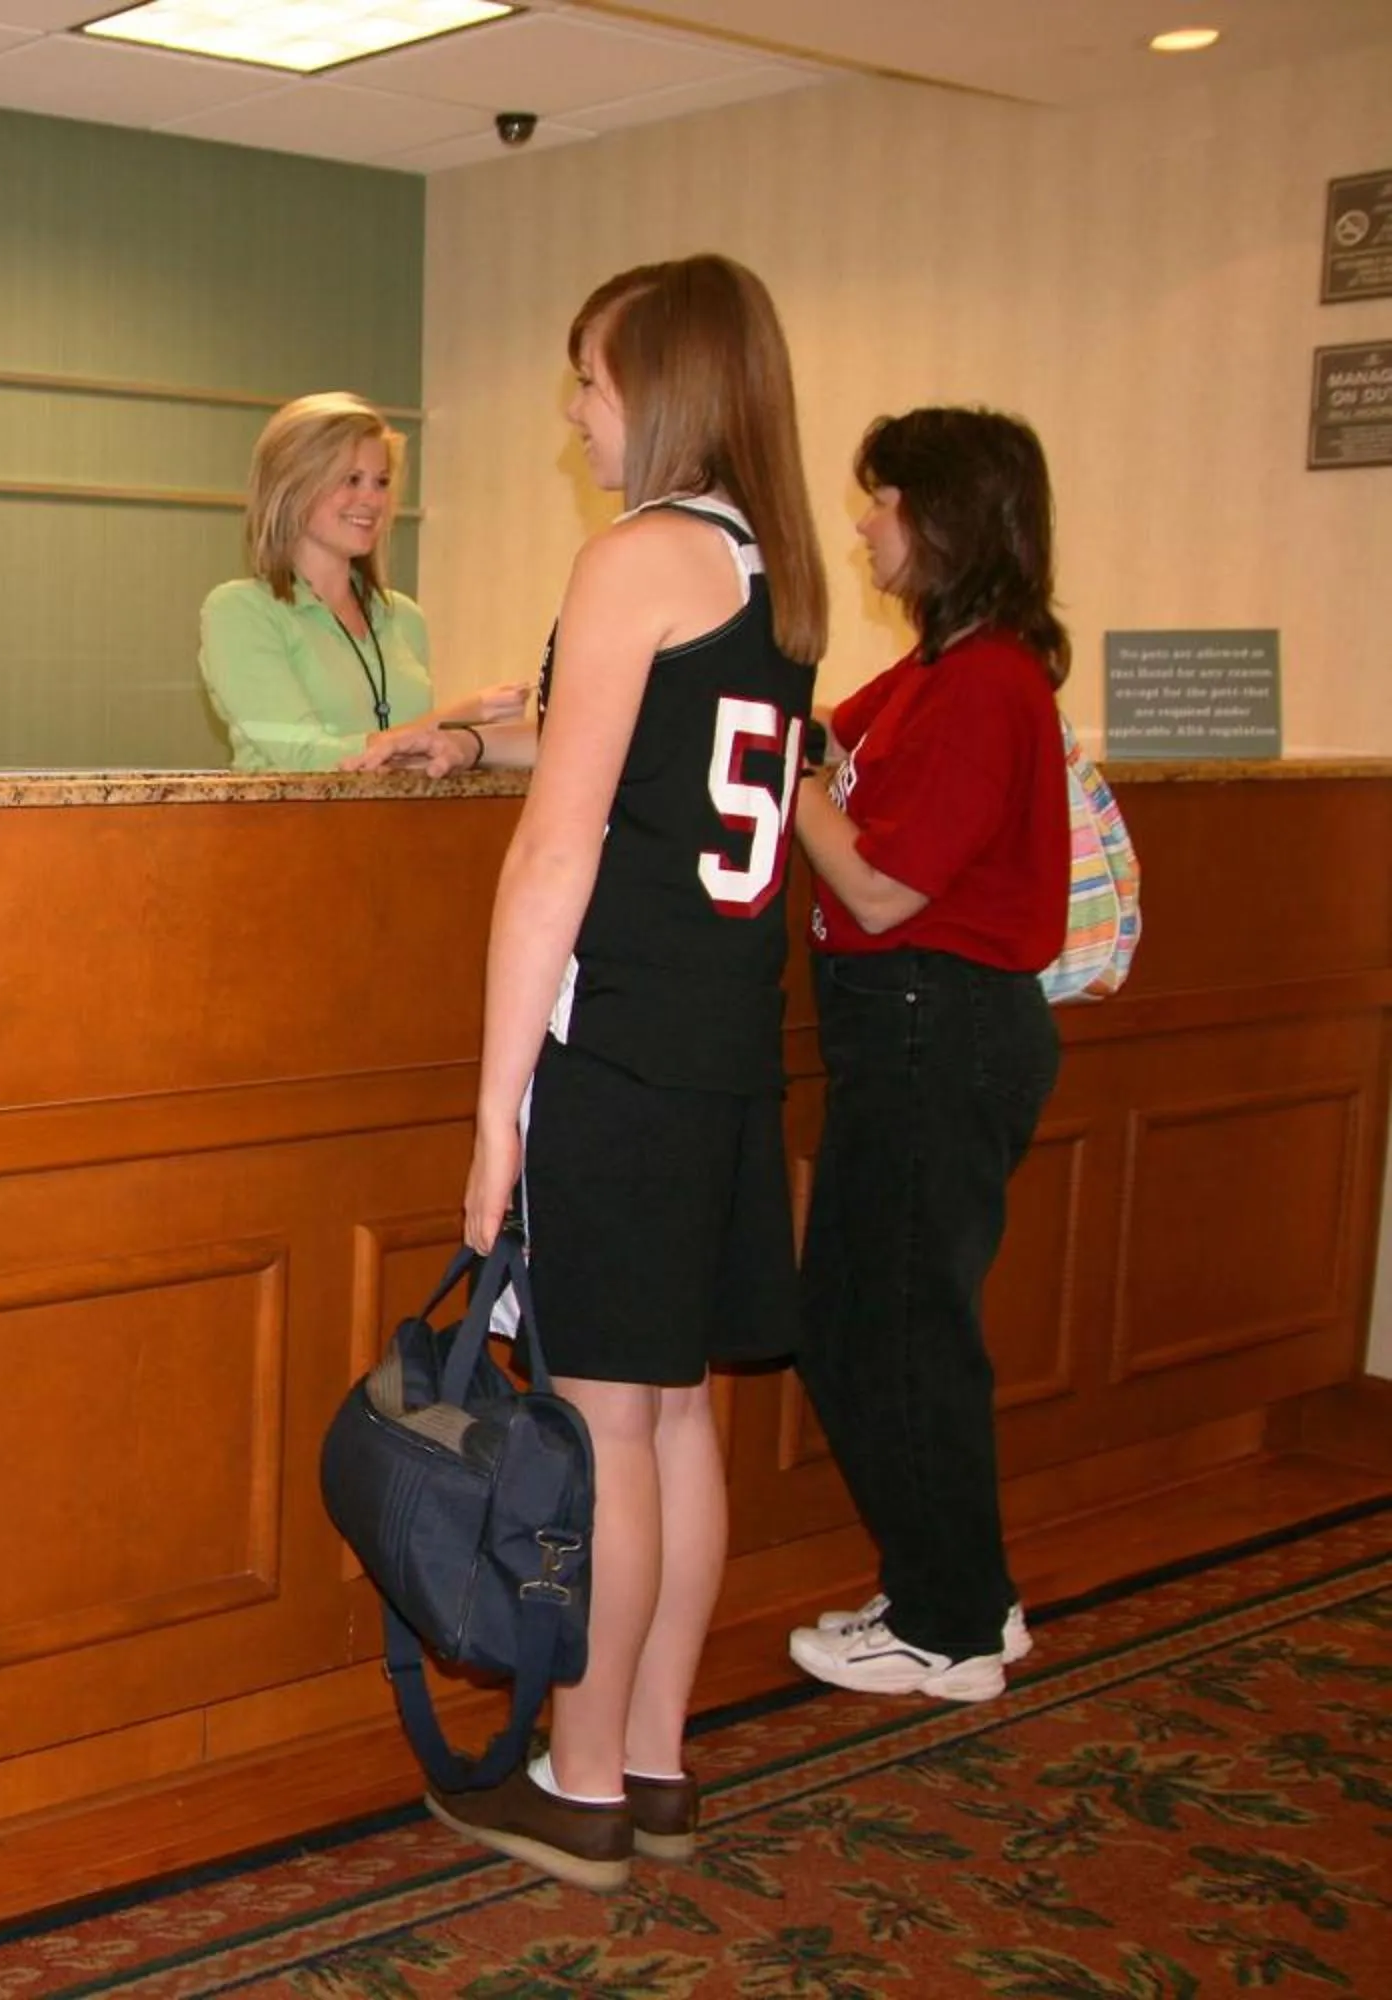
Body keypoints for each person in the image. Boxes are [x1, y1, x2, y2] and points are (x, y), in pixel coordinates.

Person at [430, 255, 825, 1893]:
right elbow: (653, 753)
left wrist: (491, 1112)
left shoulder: (634, 554)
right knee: (674, 1421)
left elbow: (558, 852)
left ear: (661, 385)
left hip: (620, 1058)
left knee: (598, 1429)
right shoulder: (765, 564)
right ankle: (654, 1760)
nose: (576, 411)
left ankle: (576, 1783)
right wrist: (477, 730)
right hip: (728, 1047)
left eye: (590, 379)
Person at [782, 409, 1071, 1703]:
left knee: (886, 1335)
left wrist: (789, 794)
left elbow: (887, 886)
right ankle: (963, 1594)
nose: (863, 524)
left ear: (944, 520)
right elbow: (830, 732)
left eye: (882, 502)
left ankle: (948, 1626)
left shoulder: (989, 680)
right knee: (877, 1323)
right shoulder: (936, 671)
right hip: (915, 1034)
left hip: (935, 1030)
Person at [199, 392, 524, 770]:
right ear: (292, 486)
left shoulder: (403, 616)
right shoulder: (239, 612)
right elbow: (303, 757)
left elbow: (413, 763)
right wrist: (459, 718)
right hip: (287, 829)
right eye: (351, 480)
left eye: (381, 482)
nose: (372, 499)